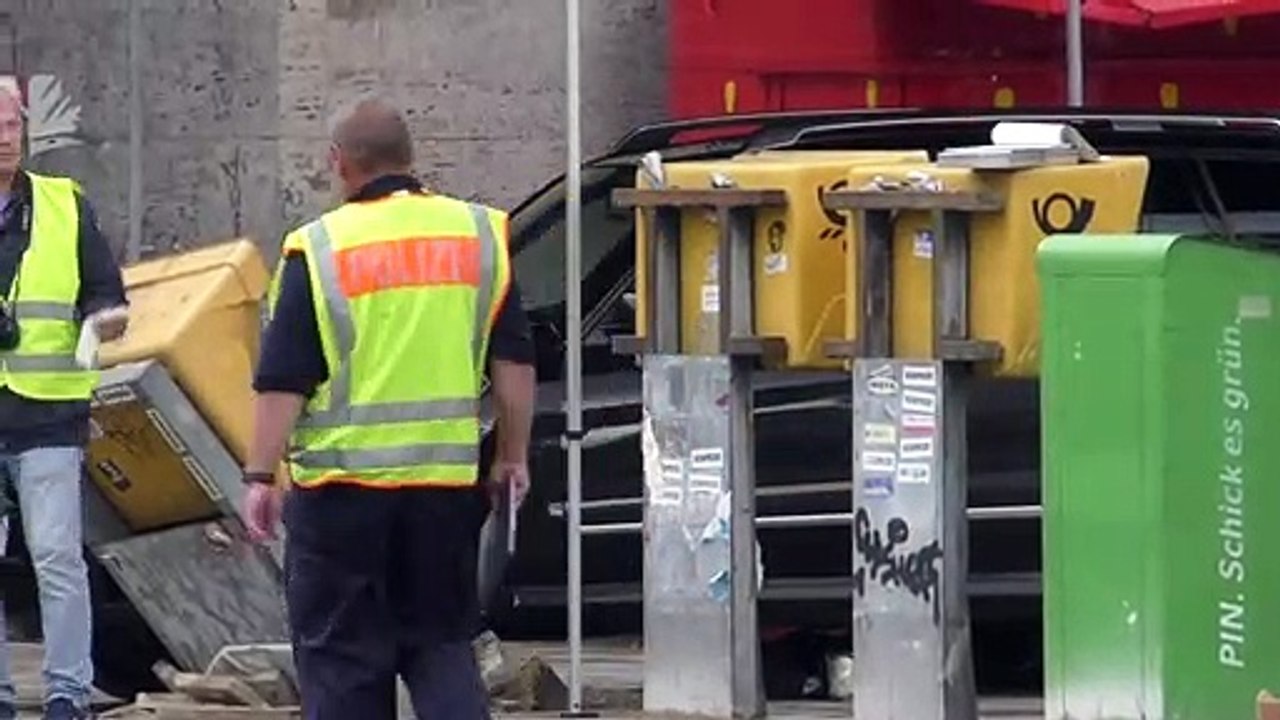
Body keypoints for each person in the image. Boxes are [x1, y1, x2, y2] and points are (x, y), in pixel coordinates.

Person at [242, 96, 537, 720]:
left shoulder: (320, 249)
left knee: (345, 664)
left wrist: (260, 476)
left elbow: (284, 380)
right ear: (410, 157)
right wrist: (512, 457)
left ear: (338, 163)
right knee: (440, 648)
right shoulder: (479, 235)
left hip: (341, 498)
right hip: (442, 492)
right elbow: (513, 364)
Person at [0, 81, 128, 720]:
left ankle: (66, 694)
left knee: (55, 557)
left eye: (12, 125)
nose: (4, 138)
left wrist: (103, 322)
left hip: (47, 410)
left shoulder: (64, 204)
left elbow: (108, 294)